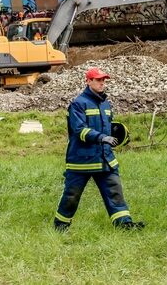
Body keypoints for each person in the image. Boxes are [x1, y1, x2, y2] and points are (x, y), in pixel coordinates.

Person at [53, 67, 144, 232]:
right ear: (88, 81)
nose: (102, 83)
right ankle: (60, 226)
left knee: (115, 192)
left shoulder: (106, 104)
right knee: (71, 196)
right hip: (81, 161)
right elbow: (79, 130)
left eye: (104, 80)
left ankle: (124, 224)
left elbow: (109, 128)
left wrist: (117, 135)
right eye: (98, 80)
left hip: (104, 159)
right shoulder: (78, 104)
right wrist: (102, 137)